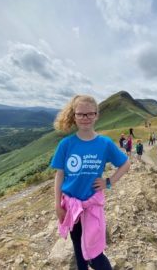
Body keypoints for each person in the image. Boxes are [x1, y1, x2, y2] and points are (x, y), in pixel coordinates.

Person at [51, 95, 130, 270]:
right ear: (74, 116)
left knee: (95, 254)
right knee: (79, 253)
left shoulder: (104, 143)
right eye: (81, 114)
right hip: (72, 208)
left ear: (96, 115)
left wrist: (108, 181)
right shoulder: (66, 144)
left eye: (89, 114)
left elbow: (125, 163)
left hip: (92, 208)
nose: (85, 118)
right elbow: (60, 175)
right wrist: (58, 205)